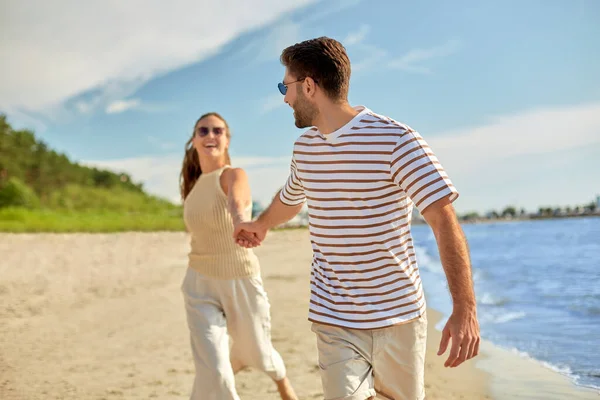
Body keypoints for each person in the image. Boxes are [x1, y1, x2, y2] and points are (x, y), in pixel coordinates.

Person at [234, 37, 480, 400]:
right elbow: (291, 199)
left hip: (399, 318)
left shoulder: (396, 140)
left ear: (308, 86)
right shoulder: (305, 148)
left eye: (284, 87)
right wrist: (261, 225)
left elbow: (444, 222)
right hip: (334, 319)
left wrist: (465, 308)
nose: (285, 98)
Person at [179, 112, 298, 400]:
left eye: (218, 131)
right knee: (214, 369)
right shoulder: (192, 188)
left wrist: (238, 221)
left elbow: (238, 200)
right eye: (203, 130)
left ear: (227, 139)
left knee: (258, 353)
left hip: (240, 279)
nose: (210, 135)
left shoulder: (233, 174)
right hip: (199, 284)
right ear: (194, 140)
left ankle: (282, 383)